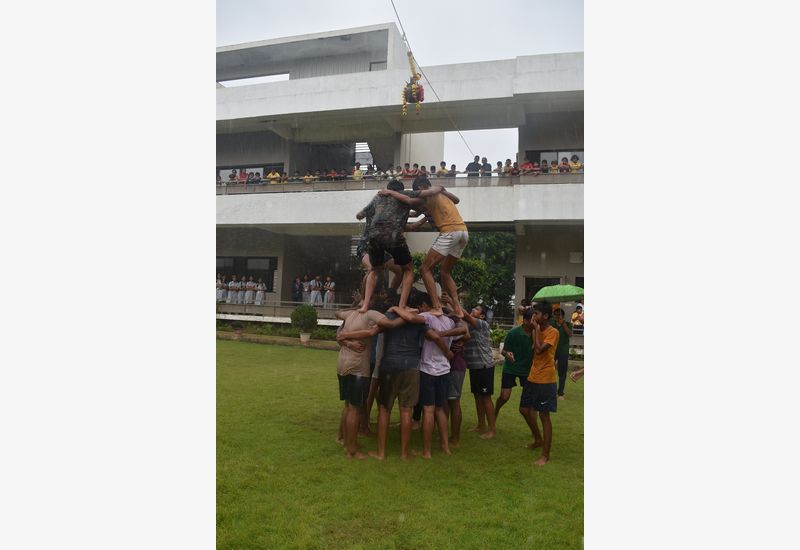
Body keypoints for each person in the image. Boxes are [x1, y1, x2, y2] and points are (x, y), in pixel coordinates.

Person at [378, 177, 468, 317]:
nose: (417, 194)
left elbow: (409, 201)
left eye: (417, 191)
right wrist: (443, 191)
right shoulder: (439, 194)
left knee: (425, 269)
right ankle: (457, 308)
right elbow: (456, 200)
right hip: (463, 232)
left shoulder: (429, 193)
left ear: (420, 188)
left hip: (450, 231)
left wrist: (390, 192)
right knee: (445, 272)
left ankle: (437, 306)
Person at [391, 292, 463, 458]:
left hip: (427, 369)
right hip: (444, 369)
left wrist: (397, 307)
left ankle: (427, 451)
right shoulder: (449, 321)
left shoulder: (426, 317)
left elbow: (410, 318)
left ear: (425, 304)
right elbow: (464, 331)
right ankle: (445, 446)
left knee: (428, 411)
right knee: (440, 410)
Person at [334, 302, 408, 459]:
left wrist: (347, 336)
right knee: (354, 408)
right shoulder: (370, 314)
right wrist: (405, 313)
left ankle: (349, 443)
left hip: (342, 364)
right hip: (357, 368)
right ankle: (352, 450)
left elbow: (337, 313)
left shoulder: (350, 315)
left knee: (348, 406)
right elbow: (391, 324)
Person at [367, 291, 430, 460]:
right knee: (406, 410)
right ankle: (404, 453)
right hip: (411, 366)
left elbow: (376, 331)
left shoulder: (389, 314)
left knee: (384, 410)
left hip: (389, 365)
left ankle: (380, 453)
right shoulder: (419, 318)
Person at [355, 179, 416, 314]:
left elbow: (360, 214)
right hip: (391, 236)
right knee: (408, 269)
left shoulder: (378, 198)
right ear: (400, 190)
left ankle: (365, 304)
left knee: (375, 270)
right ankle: (402, 306)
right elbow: (418, 198)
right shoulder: (405, 196)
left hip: (374, 237)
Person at [519, 302, 559, 466]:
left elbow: (539, 349)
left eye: (536, 314)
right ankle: (538, 439)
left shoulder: (553, 332)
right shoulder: (536, 329)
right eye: (533, 313)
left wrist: (535, 330)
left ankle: (545, 455)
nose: (533, 316)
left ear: (545, 316)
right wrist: (532, 328)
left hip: (546, 379)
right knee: (523, 409)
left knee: (544, 416)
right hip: (532, 376)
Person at [462, 304, 497, 439]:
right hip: (475, 367)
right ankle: (481, 425)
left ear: (482, 316)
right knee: (477, 396)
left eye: (476, 309)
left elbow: (464, 314)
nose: (472, 310)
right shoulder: (469, 324)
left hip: (484, 366)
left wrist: (453, 300)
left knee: (485, 397)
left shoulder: (481, 324)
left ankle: (492, 429)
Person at [495, 307, 533, 421]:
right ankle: (495, 410)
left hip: (527, 370)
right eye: (533, 319)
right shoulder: (513, 333)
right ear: (525, 321)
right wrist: (508, 355)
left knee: (530, 401)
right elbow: (503, 351)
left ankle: (534, 427)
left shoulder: (537, 334)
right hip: (511, 368)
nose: (536, 322)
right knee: (504, 397)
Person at [551, 307, 573, 400]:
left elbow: (569, 334)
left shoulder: (568, 324)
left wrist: (563, 324)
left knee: (562, 373)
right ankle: (552, 391)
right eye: (555, 315)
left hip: (563, 351)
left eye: (558, 314)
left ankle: (560, 393)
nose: (556, 316)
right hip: (552, 351)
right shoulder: (551, 324)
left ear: (563, 316)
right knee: (550, 371)